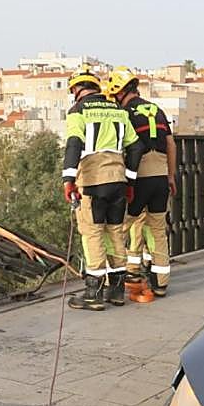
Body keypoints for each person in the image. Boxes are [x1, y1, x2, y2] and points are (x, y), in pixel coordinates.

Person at [62, 66, 143, 310]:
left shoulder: (78, 110)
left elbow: (74, 143)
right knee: (115, 233)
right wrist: (129, 180)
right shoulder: (118, 110)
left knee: (93, 234)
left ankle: (93, 293)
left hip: (93, 181)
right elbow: (136, 147)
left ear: (76, 89)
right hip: (118, 180)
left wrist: (68, 179)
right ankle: (116, 291)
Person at [103, 66, 176, 299]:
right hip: (161, 176)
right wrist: (171, 176)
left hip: (140, 177)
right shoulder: (157, 110)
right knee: (157, 229)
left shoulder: (125, 113)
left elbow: (126, 147)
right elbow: (171, 145)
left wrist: (127, 181)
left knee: (119, 226)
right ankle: (161, 283)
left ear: (119, 92)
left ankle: (112, 278)